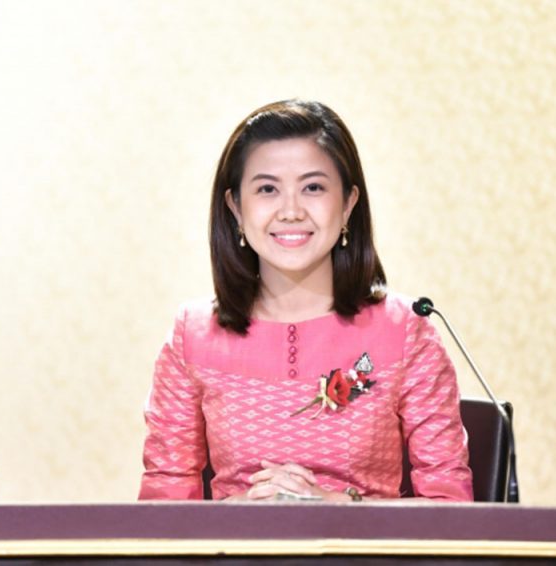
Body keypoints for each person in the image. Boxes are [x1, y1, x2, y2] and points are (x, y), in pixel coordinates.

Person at [138, 100, 473, 502]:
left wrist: (338, 507)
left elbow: (450, 508)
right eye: (267, 189)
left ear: (348, 204)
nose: (291, 211)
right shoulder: (192, 336)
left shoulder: (405, 330)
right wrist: (237, 509)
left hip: (367, 545)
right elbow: (162, 512)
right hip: (236, 544)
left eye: (313, 187)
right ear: (235, 208)